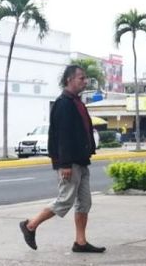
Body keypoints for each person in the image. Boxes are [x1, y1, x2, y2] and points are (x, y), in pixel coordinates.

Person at [18, 64, 105, 253]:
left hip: (81, 161)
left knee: (85, 202)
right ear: (69, 80)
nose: (85, 81)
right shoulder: (64, 103)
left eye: (85, 78)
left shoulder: (77, 102)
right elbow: (61, 136)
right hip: (70, 162)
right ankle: (30, 225)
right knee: (65, 200)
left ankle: (80, 242)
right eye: (81, 78)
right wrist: (64, 164)